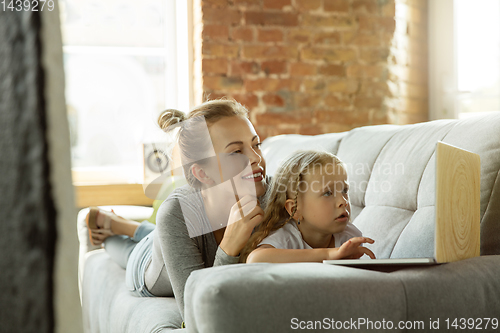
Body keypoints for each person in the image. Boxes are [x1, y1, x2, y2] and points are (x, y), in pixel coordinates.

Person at [85, 99, 268, 320]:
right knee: (128, 251)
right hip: (147, 263)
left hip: (166, 237)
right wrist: (229, 247)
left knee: (157, 236)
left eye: (256, 144)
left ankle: (127, 226)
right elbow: (196, 313)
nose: (256, 158)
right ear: (203, 173)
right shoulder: (176, 213)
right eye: (236, 152)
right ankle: (110, 229)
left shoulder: (269, 191)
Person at [240, 150, 376, 263]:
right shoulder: (288, 238)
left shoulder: (349, 237)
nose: (343, 201)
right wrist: (329, 255)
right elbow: (255, 259)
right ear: (295, 209)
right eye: (328, 193)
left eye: (345, 191)